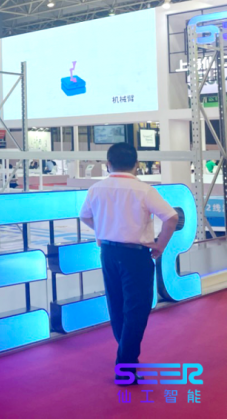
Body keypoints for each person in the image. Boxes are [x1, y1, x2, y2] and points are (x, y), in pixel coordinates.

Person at [80, 143, 178, 377]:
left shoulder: (96, 189)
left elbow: (85, 216)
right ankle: (125, 366)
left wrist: (103, 230)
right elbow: (171, 218)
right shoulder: (144, 190)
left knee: (116, 306)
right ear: (136, 164)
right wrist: (161, 245)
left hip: (108, 253)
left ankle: (127, 359)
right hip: (135, 255)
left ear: (108, 164)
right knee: (137, 309)